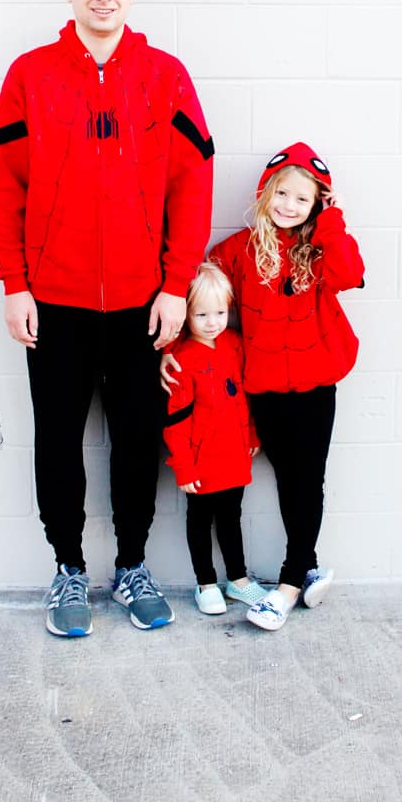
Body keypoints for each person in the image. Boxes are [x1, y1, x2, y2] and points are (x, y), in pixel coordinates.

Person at [0, 0, 214, 638]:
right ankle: (67, 572)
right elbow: (1, 182)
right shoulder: (31, 75)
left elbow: (192, 183)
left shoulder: (166, 75)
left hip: (146, 304)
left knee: (139, 440)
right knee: (57, 438)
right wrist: (14, 283)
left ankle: (135, 568)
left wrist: (176, 285)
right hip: (55, 301)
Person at [164, 142, 364, 631]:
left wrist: (331, 221)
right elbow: (200, 296)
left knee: (306, 479)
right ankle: (308, 563)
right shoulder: (238, 250)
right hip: (265, 389)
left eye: (303, 198)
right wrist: (171, 348)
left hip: (316, 385)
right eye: (282, 193)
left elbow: (350, 274)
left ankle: (290, 582)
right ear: (266, 192)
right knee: (286, 480)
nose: (289, 206)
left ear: (318, 202)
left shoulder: (320, 246)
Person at [162, 262, 269, 615]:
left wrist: (252, 434)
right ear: (186, 314)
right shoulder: (180, 360)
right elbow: (175, 420)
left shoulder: (234, 345)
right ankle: (205, 583)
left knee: (231, 518)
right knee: (199, 520)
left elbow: (247, 397)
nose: (213, 322)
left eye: (220, 312)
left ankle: (237, 580)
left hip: (234, 455)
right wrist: (183, 466)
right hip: (200, 461)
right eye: (202, 314)